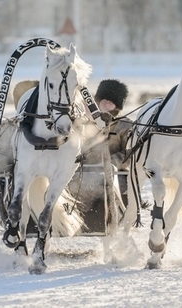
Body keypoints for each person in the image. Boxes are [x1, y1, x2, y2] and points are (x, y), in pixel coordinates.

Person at [67, 79, 132, 233]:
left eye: (112, 103)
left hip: (114, 176)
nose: (107, 105)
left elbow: (130, 154)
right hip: (80, 174)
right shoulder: (81, 123)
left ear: (117, 107)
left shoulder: (125, 126)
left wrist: (110, 163)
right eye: (105, 100)